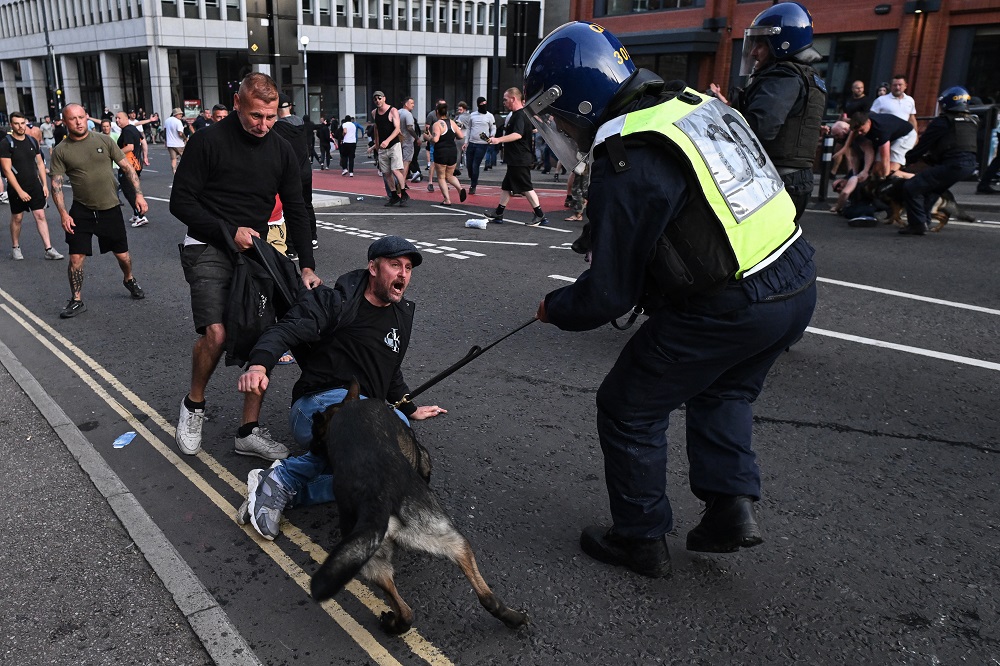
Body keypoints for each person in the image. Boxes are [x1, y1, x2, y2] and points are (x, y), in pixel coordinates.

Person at [524, 21, 817, 578]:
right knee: (723, 386)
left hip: (732, 299)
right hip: (795, 275)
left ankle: (639, 538)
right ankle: (730, 510)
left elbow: (608, 295)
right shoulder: (687, 104)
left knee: (628, 406)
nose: (557, 129)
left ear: (581, 98)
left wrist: (555, 307)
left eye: (555, 114)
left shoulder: (627, 153)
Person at [235, 236, 446, 540]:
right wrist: (259, 365)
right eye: (395, 265)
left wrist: (410, 408)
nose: (403, 274)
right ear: (373, 268)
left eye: (408, 268)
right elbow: (285, 329)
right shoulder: (337, 302)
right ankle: (286, 476)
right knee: (365, 428)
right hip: (317, 405)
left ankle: (281, 490)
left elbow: (388, 369)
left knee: (404, 466)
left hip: (369, 411)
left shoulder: (400, 316)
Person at [169, 72, 322, 461]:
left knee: (262, 339)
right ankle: (194, 406)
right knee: (217, 334)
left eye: (270, 117)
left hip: (253, 249)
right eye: (256, 116)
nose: (263, 125)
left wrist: (307, 265)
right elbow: (181, 204)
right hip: (205, 243)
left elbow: (297, 208)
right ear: (237, 104)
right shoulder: (207, 142)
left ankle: (248, 431)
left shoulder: (282, 150)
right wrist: (225, 230)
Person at [49, 103, 147, 319]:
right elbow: (56, 185)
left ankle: (128, 279)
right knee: (75, 258)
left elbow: (127, 167)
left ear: (86, 118)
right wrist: (64, 214)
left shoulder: (103, 140)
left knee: (123, 256)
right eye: (73, 119)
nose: (78, 122)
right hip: (81, 211)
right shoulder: (61, 151)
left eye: (82, 117)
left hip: (110, 209)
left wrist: (138, 194)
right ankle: (76, 299)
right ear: (65, 122)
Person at [734, 1, 827, 222]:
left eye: (761, 45)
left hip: (778, 179)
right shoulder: (805, 76)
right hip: (792, 179)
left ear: (782, 44)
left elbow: (757, 128)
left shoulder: (783, 78)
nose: (754, 52)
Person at [898, 86, 979, 236]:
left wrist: (907, 161)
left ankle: (917, 224)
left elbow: (924, 145)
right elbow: (954, 145)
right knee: (932, 189)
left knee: (912, 186)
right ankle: (924, 221)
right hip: (969, 165)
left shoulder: (943, 121)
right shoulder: (971, 121)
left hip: (953, 164)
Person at [0, 112, 63, 261]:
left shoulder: (32, 141)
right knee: (17, 218)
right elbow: (7, 171)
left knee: (40, 215)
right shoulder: (5, 143)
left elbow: (40, 163)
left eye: (23, 123)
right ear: (11, 125)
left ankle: (48, 249)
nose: (20, 126)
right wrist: (20, 191)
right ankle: (15, 247)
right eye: (17, 123)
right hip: (17, 187)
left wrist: (44, 185)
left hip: (34, 185)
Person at [483, 87, 549, 227]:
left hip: (520, 158)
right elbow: (530, 130)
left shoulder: (519, 115)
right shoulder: (520, 114)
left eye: (505, 99)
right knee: (506, 186)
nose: (504, 102)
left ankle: (540, 216)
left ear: (513, 99)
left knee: (526, 187)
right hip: (516, 157)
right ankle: (499, 213)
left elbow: (518, 134)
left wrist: (498, 140)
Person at [271, 93, 318, 253]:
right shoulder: (301, 123)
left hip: (291, 174)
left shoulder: (278, 128)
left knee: (290, 209)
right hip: (306, 171)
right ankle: (313, 238)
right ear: (290, 106)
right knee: (307, 205)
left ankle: (291, 248)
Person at [849, 110, 917, 180]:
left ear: (868, 122)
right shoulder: (864, 118)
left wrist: (886, 176)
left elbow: (885, 157)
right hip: (891, 136)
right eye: (857, 131)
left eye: (861, 130)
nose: (859, 133)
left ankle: (915, 178)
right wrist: (845, 147)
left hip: (905, 136)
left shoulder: (880, 131)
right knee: (877, 171)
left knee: (890, 171)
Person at [369, 91, 408, 207]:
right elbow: (376, 129)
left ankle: (404, 193)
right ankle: (394, 196)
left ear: (384, 98)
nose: (377, 101)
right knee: (386, 173)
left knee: (396, 170)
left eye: (379, 98)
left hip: (393, 145)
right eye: (375, 99)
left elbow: (397, 129)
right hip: (382, 147)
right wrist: (376, 144)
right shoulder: (374, 113)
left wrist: (387, 141)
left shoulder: (393, 111)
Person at [115, 111, 150, 228]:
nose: (117, 120)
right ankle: (136, 214)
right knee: (132, 188)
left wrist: (115, 153)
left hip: (129, 165)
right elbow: (143, 142)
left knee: (128, 190)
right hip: (136, 164)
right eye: (116, 118)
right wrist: (144, 156)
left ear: (126, 119)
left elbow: (130, 147)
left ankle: (140, 216)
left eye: (119, 118)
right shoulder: (133, 129)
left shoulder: (127, 130)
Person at [430, 101, 466, 205]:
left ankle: (447, 199)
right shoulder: (452, 122)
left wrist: (428, 137)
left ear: (437, 112)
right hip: (452, 151)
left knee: (441, 177)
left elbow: (435, 139)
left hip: (441, 151)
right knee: (449, 175)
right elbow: (461, 136)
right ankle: (459, 188)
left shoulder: (437, 124)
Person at [464, 96, 495, 195]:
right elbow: (468, 129)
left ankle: (473, 185)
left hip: (482, 144)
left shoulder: (490, 116)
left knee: (475, 164)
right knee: (469, 164)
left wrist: (491, 136)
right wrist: (466, 141)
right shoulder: (472, 115)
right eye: (481, 104)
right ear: (478, 105)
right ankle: (472, 177)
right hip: (472, 142)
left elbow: (493, 127)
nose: (483, 106)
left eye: (485, 104)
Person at [398, 97, 418, 187]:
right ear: (406, 104)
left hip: (399, 139)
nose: (413, 105)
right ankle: (402, 182)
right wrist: (417, 138)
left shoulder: (398, 112)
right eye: (412, 103)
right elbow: (410, 127)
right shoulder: (408, 114)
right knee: (406, 162)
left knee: (400, 162)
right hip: (408, 140)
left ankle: (399, 181)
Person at [164, 107, 187, 173]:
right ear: (175, 114)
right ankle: (186, 171)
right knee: (185, 157)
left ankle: (174, 171)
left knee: (173, 159)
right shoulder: (178, 121)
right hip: (179, 143)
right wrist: (185, 138)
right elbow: (180, 133)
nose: (181, 115)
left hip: (170, 144)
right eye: (179, 114)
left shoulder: (167, 120)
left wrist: (165, 141)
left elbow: (165, 131)